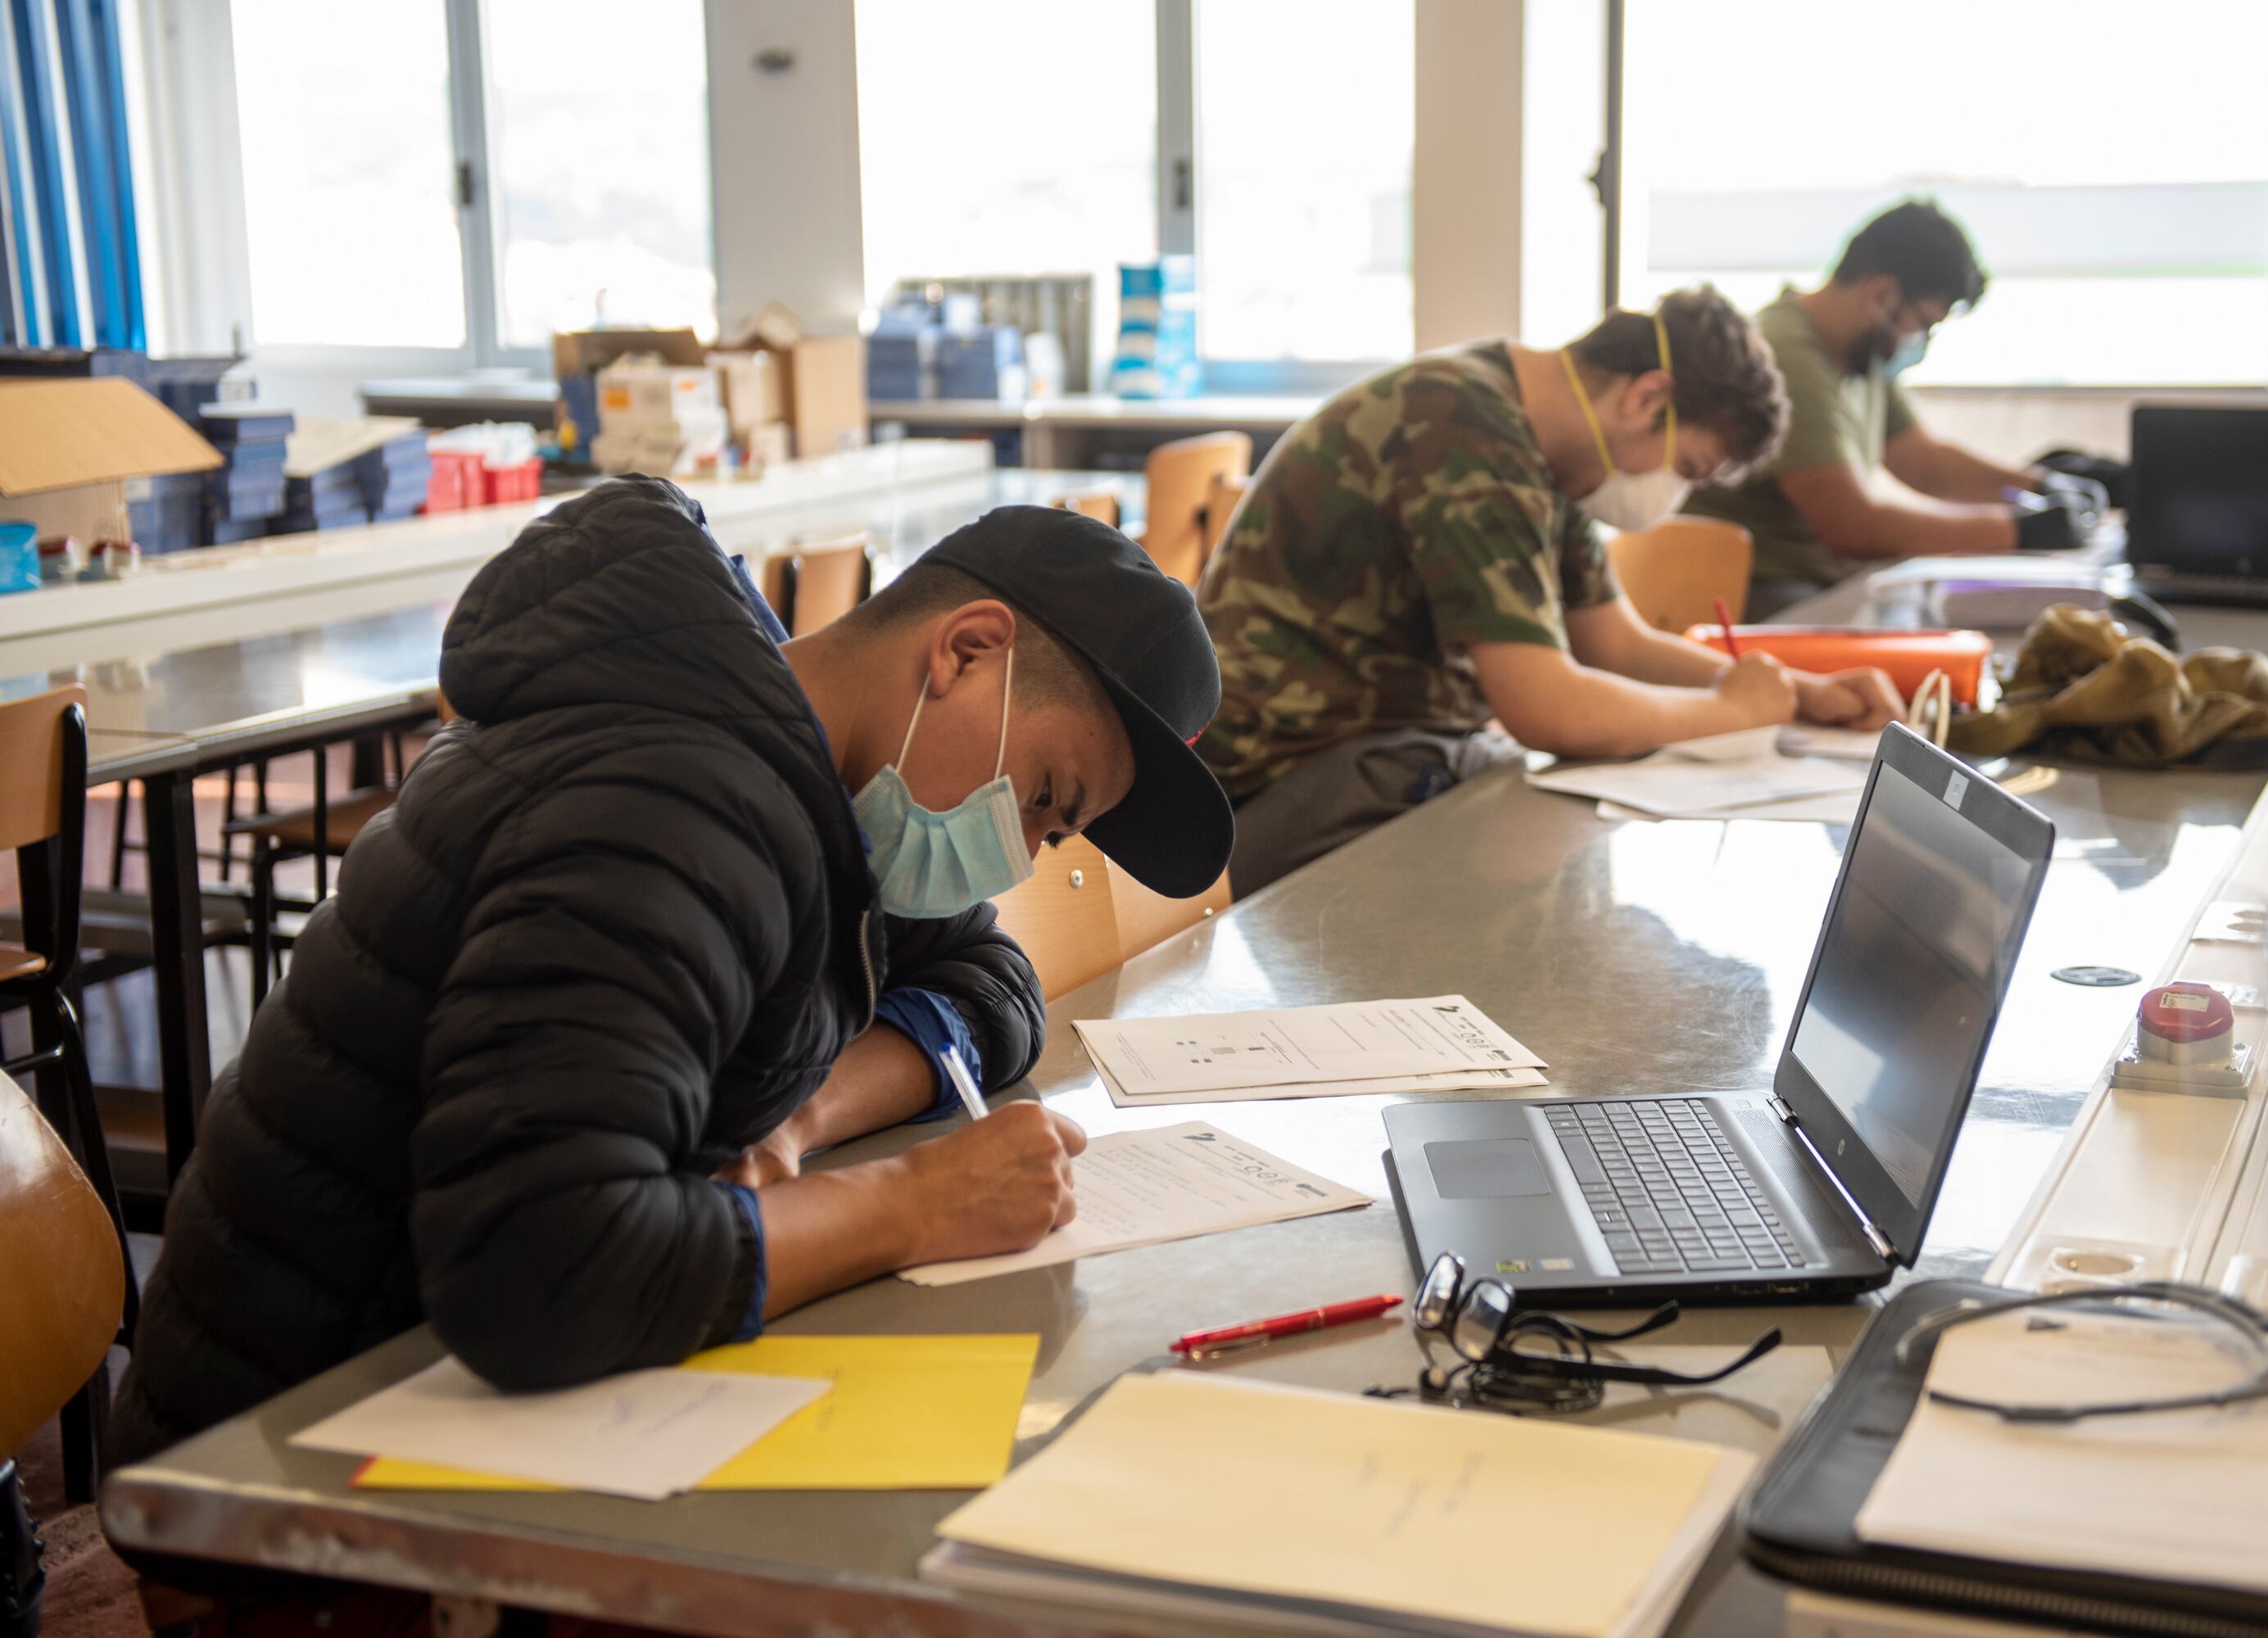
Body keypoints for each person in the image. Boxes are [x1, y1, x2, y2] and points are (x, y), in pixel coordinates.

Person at [106, 479, 1234, 1474]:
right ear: (964, 651)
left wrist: (807, 1110)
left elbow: (994, 982)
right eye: (1044, 795)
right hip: (289, 1452)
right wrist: (911, 1204)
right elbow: (535, 1270)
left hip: (430, 1388)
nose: (1027, 845)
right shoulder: (675, 805)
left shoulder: (815, 774)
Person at [1197, 288, 1906, 896]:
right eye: (1687, 467)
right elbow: (1547, 707)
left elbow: (1616, 642)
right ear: (1647, 396)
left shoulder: (1541, 443)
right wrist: (1727, 712)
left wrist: (1792, 691)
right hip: (1280, 788)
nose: (1676, 495)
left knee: (1560, 836)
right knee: (1548, 857)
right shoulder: (1464, 428)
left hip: (1374, 758)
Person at [1682, 199, 2104, 617]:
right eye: (1922, 323)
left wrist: (2039, 485)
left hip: (1823, 579)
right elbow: (1853, 524)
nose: (1920, 341)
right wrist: (2015, 530)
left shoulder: (1859, 357)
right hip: (1760, 593)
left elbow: (1923, 462)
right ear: (1882, 294)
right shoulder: (1787, 355)